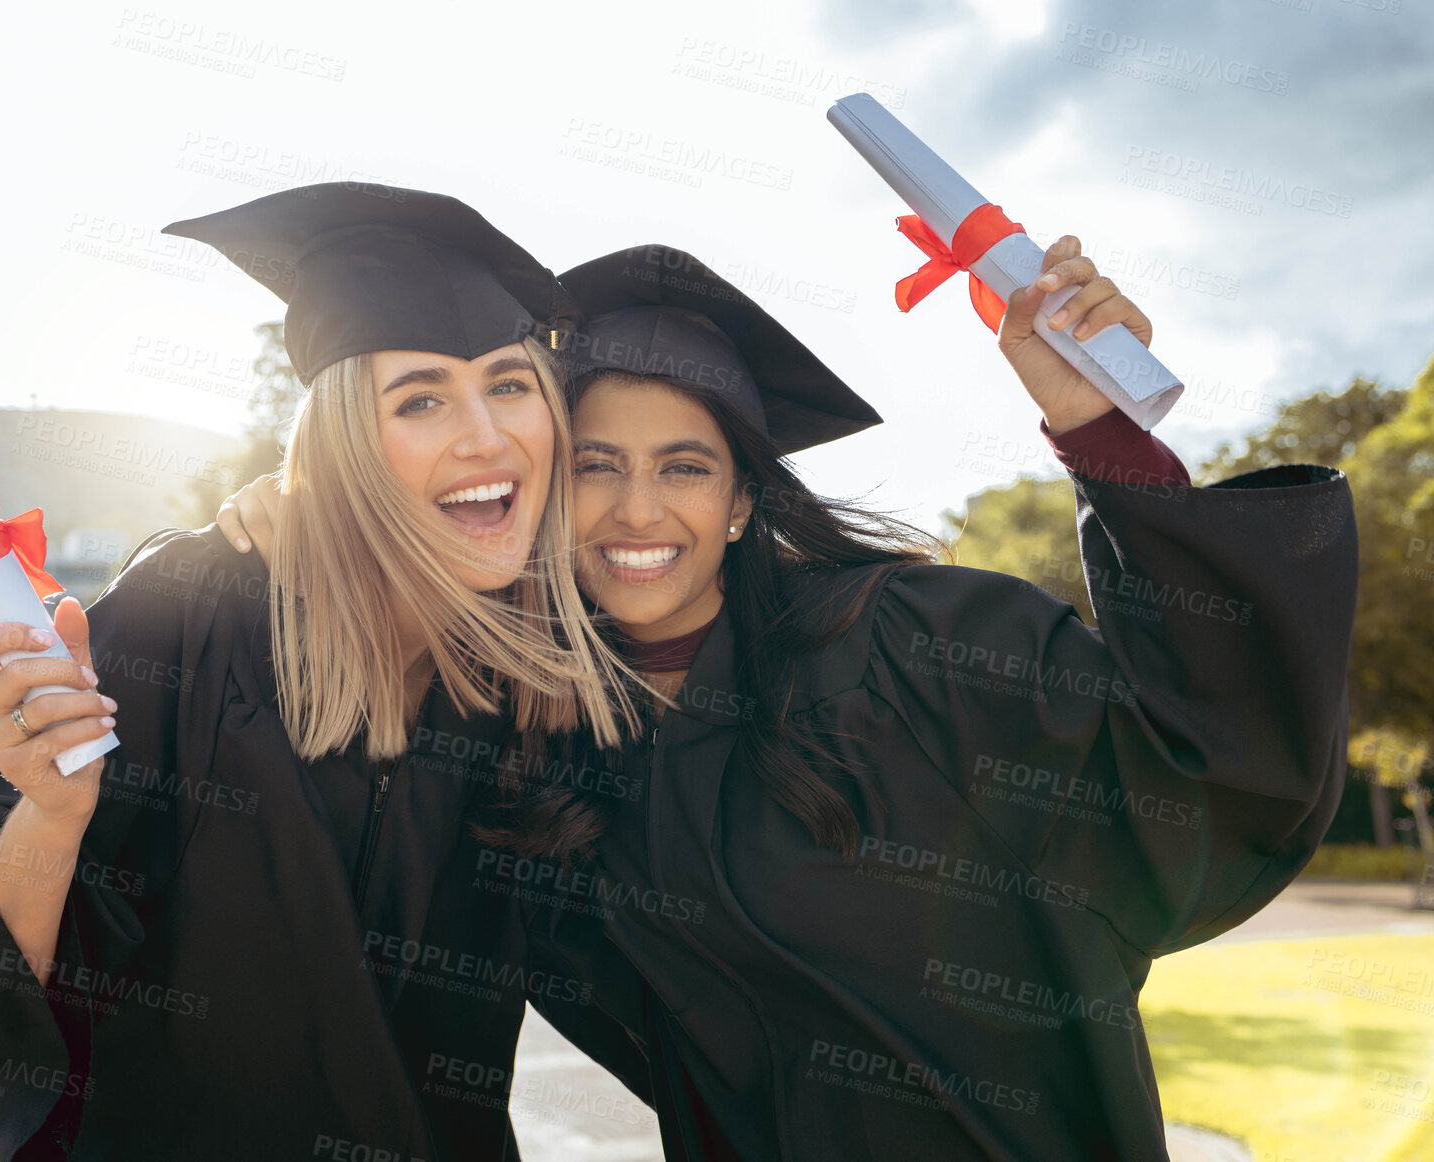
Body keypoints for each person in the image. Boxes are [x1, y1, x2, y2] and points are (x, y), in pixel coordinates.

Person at [219, 241, 1358, 1160]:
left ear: (738, 505)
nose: (636, 510)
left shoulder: (918, 649)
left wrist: (1103, 432)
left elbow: (1204, 762)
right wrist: (330, 514)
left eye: (684, 466)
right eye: (595, 466)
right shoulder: (528, 751)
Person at [0, 183, 643, 1162]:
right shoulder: (195, 610)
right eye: (421, 398)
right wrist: (49, 817)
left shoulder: (538, 679)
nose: (483, 434)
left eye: (511, 383)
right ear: (351, 442)